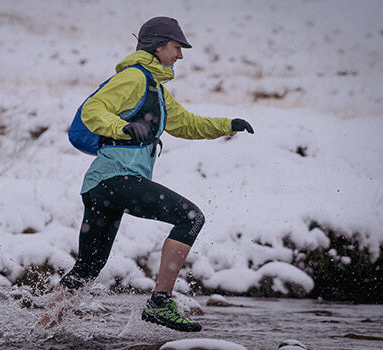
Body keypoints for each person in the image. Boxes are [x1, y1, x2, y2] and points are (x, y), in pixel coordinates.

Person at [42, 16, 254, 332]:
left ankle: (39, 330)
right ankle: (160, 302)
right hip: (116, 179)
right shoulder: (134, 79)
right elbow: (92, 110)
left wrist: (227, 126)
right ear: (157, 46)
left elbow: (187, 124)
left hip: (100, 186)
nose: (180, 55)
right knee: (190, 218)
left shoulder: (155, 89)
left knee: (87, 267)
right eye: (176, 47)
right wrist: (124, 127)